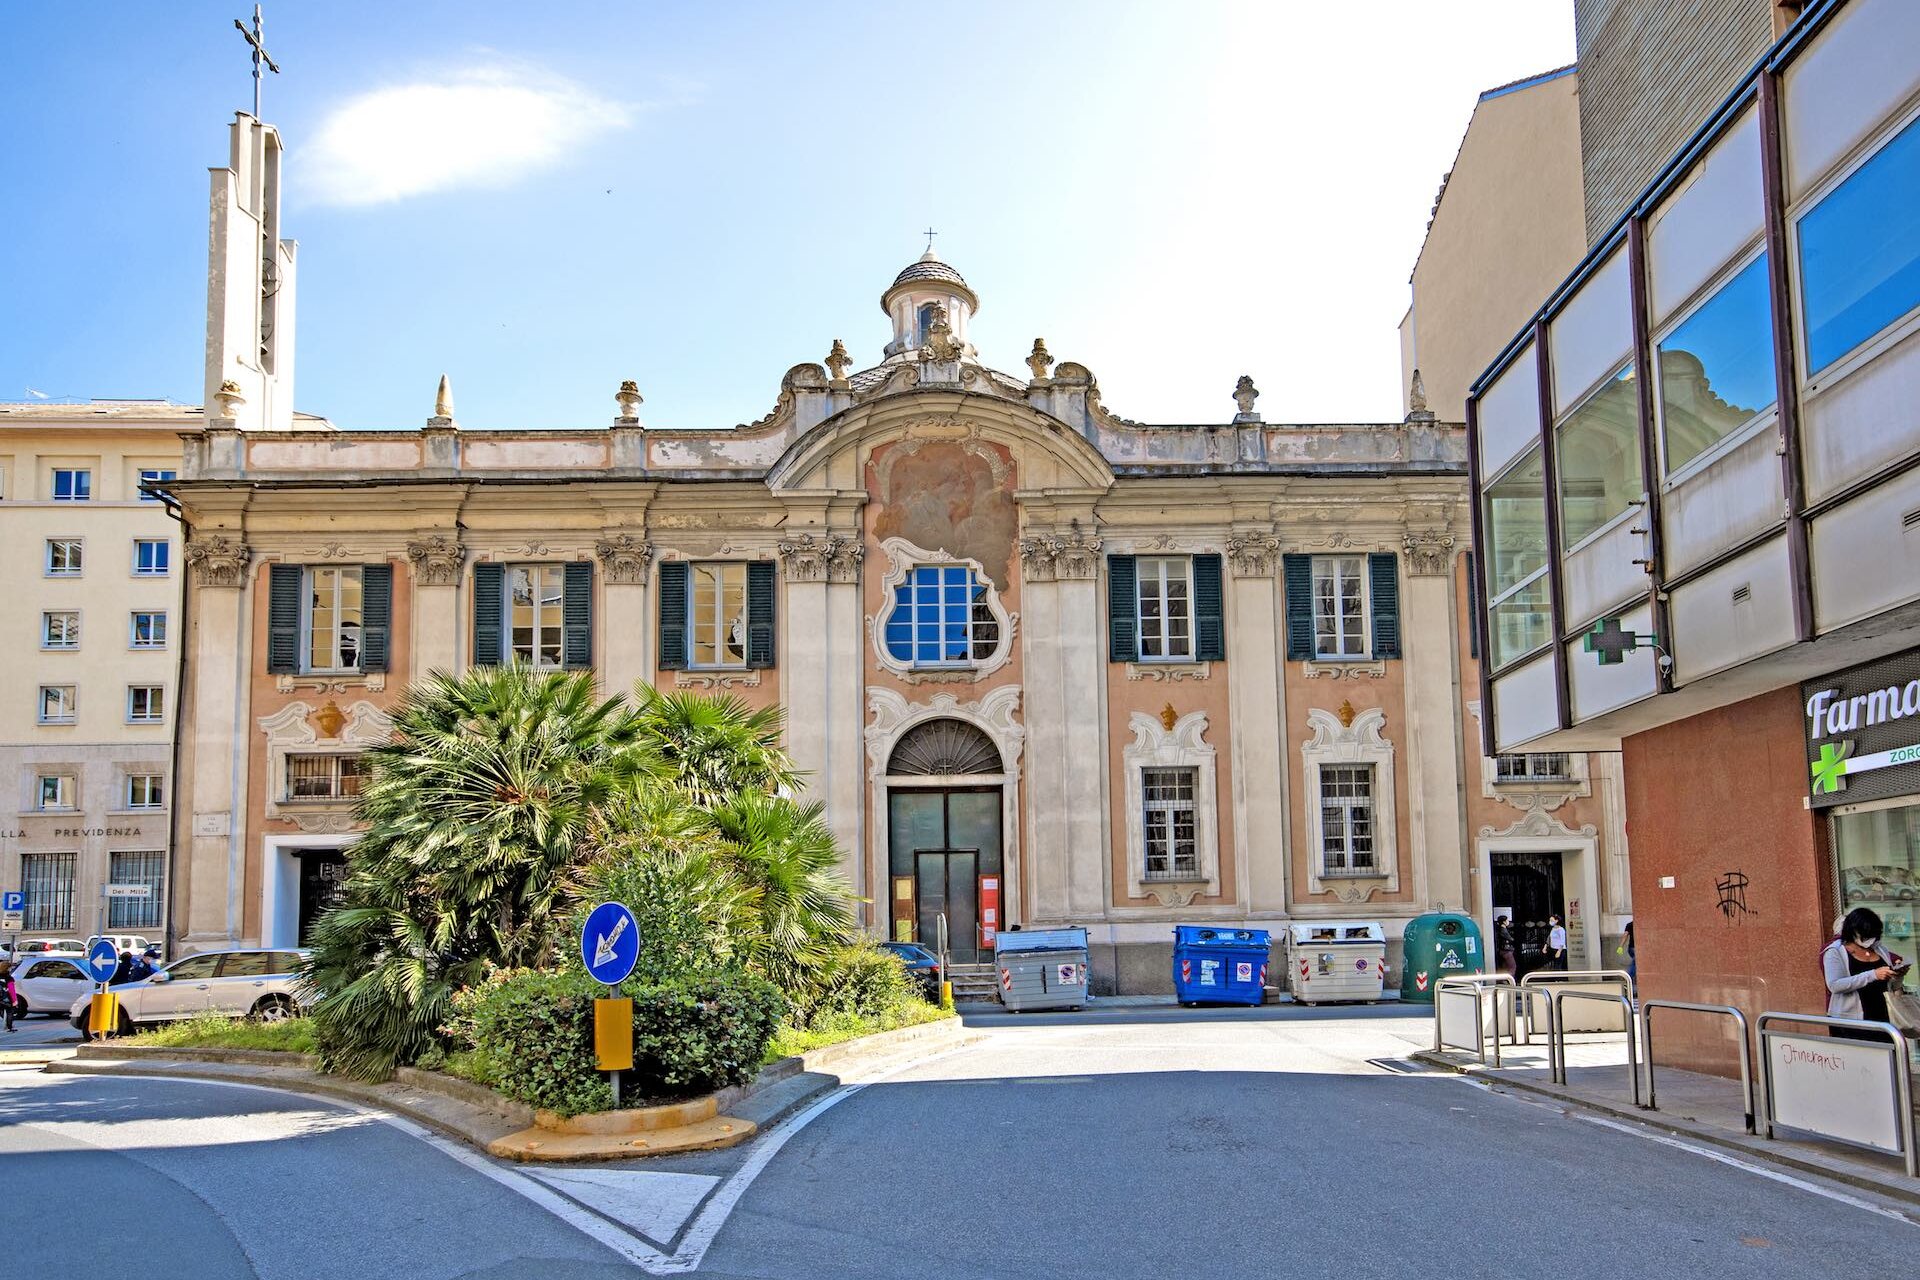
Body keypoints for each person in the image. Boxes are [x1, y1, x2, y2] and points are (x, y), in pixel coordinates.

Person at [1823, 907, 1908, 1043]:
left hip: (1884, 1019)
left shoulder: (1879, 949)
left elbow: (1890, 985)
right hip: (1851, 1021)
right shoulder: (1835, 951)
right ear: (1854, 931)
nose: (1871, 940)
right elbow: (1835, 985)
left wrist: (1898, 975)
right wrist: (1873, 974)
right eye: (1867, 935)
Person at [1, 960, 16, 1032]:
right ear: (7, 968)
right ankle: (9, 1026)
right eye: (10, 968)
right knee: (10, 1012)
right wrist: (14, 1000)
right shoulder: (9, 978)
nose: (11, 969)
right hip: (7, 998)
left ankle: (4, 1022)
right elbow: (12, 990)